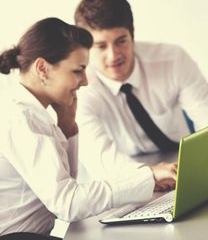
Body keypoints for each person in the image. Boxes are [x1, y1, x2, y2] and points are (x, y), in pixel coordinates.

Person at [0, 18, 177, 236]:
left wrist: (67, 128)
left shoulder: (33, 112)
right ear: (42, 68)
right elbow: (68, 204)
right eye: (78, 70)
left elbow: (66, 187)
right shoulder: (22, 119)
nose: (85, 81)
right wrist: (147, 177)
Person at [73, 0, 208, 179]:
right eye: (101, 46)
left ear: (133, 34)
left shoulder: (172, 60)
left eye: (121, 42)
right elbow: (100, 160)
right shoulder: (78, 87)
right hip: (122, 182)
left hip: (183, 171)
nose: (113, 55)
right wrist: (148, 176)